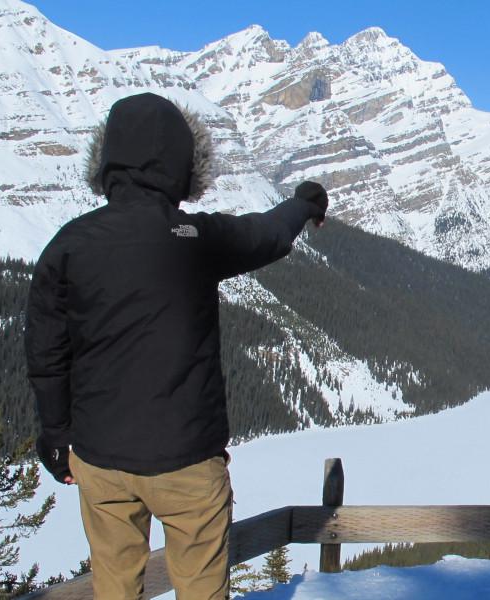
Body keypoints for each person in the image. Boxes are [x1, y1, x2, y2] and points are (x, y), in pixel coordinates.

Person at [25, 92, 327, 598]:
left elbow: (47, 352)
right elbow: (267, 234)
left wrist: (56, 437)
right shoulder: (194, 237)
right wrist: (305, 202)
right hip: (188, 461)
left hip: (101, 461)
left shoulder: (68, 245)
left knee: (115, 588)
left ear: (107, 164)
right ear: (182, 167)